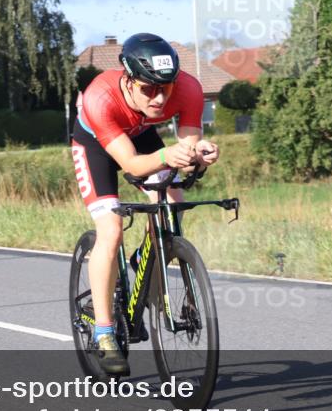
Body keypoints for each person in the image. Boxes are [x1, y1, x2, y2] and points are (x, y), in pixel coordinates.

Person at [71, 32, 220, 374]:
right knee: (111, 230)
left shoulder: (189, 88)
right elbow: (133, 165)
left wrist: (200, 155)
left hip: (139, 135)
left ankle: (144, 261)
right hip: (96, 144)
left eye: (165, 88)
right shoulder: (100, 96)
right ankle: (104, 333)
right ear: (128, 80)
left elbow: (187, 153)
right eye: (148, 89)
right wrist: (167, 155)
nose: (159, 98)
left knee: (173, 202)